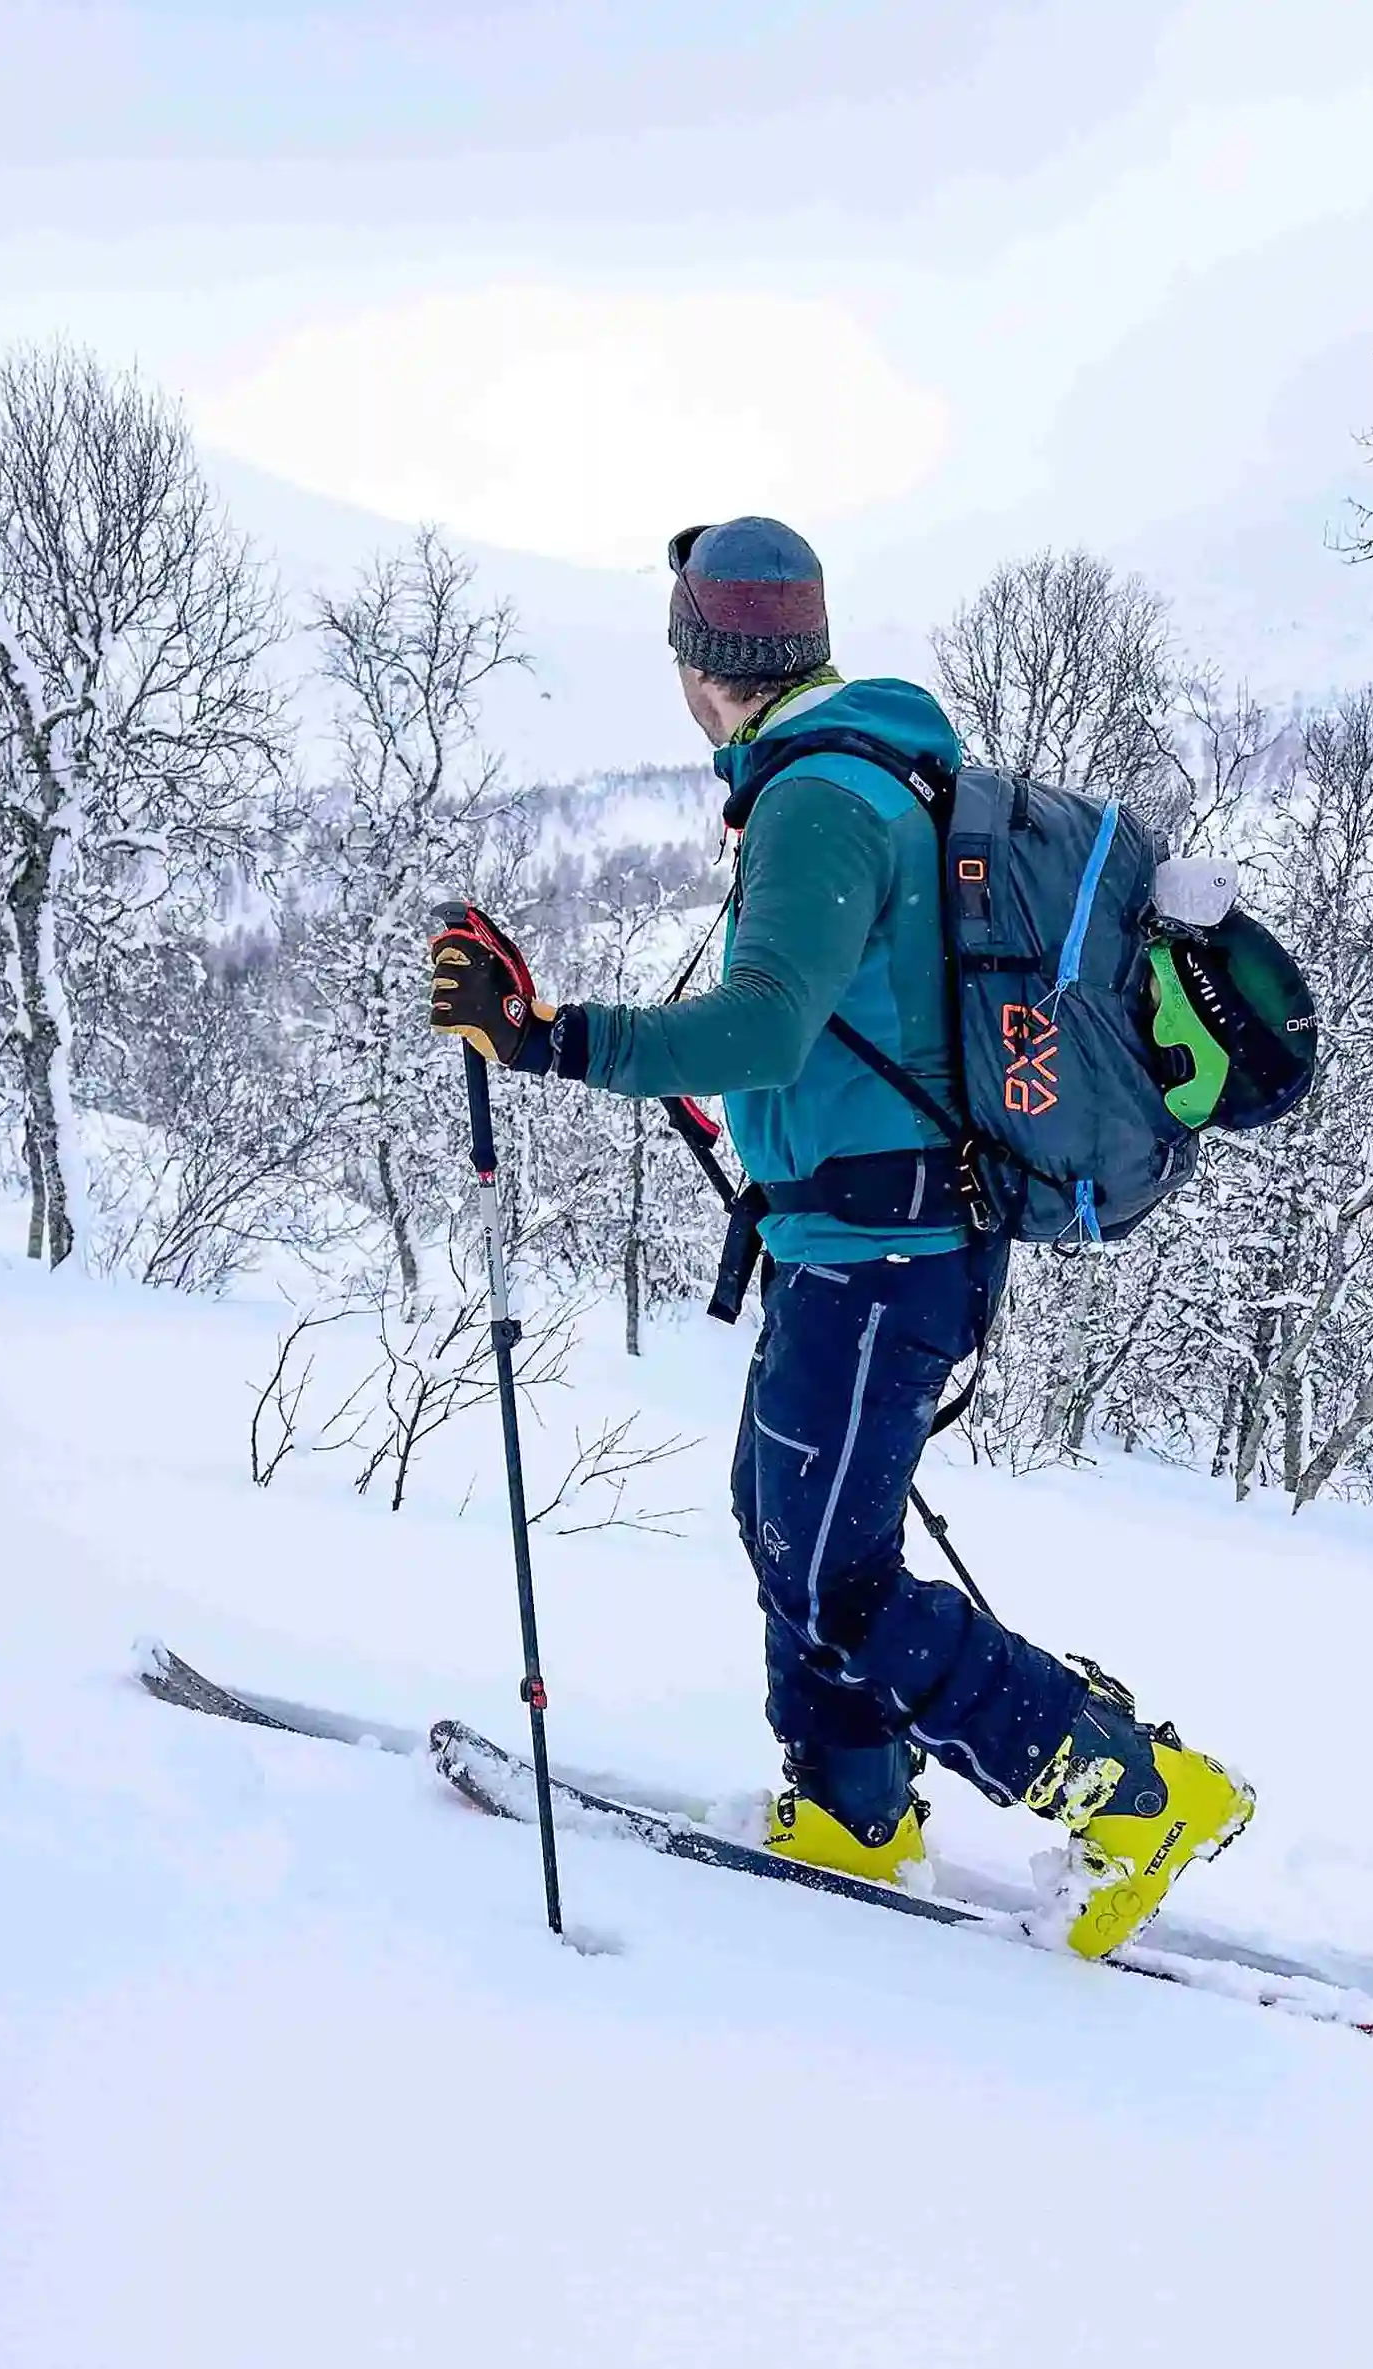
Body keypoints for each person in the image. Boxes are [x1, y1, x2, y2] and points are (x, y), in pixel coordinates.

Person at [425, 517, 1252, 1957]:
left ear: (701, 662)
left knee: (824, 1567)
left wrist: (543, 1038)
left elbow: (761, 1026)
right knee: (794, 1529)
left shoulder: (818, 793)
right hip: (860, 1237)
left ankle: (1139, 1798)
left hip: (889, 1249)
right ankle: (850, 1809)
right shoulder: (860, 775)